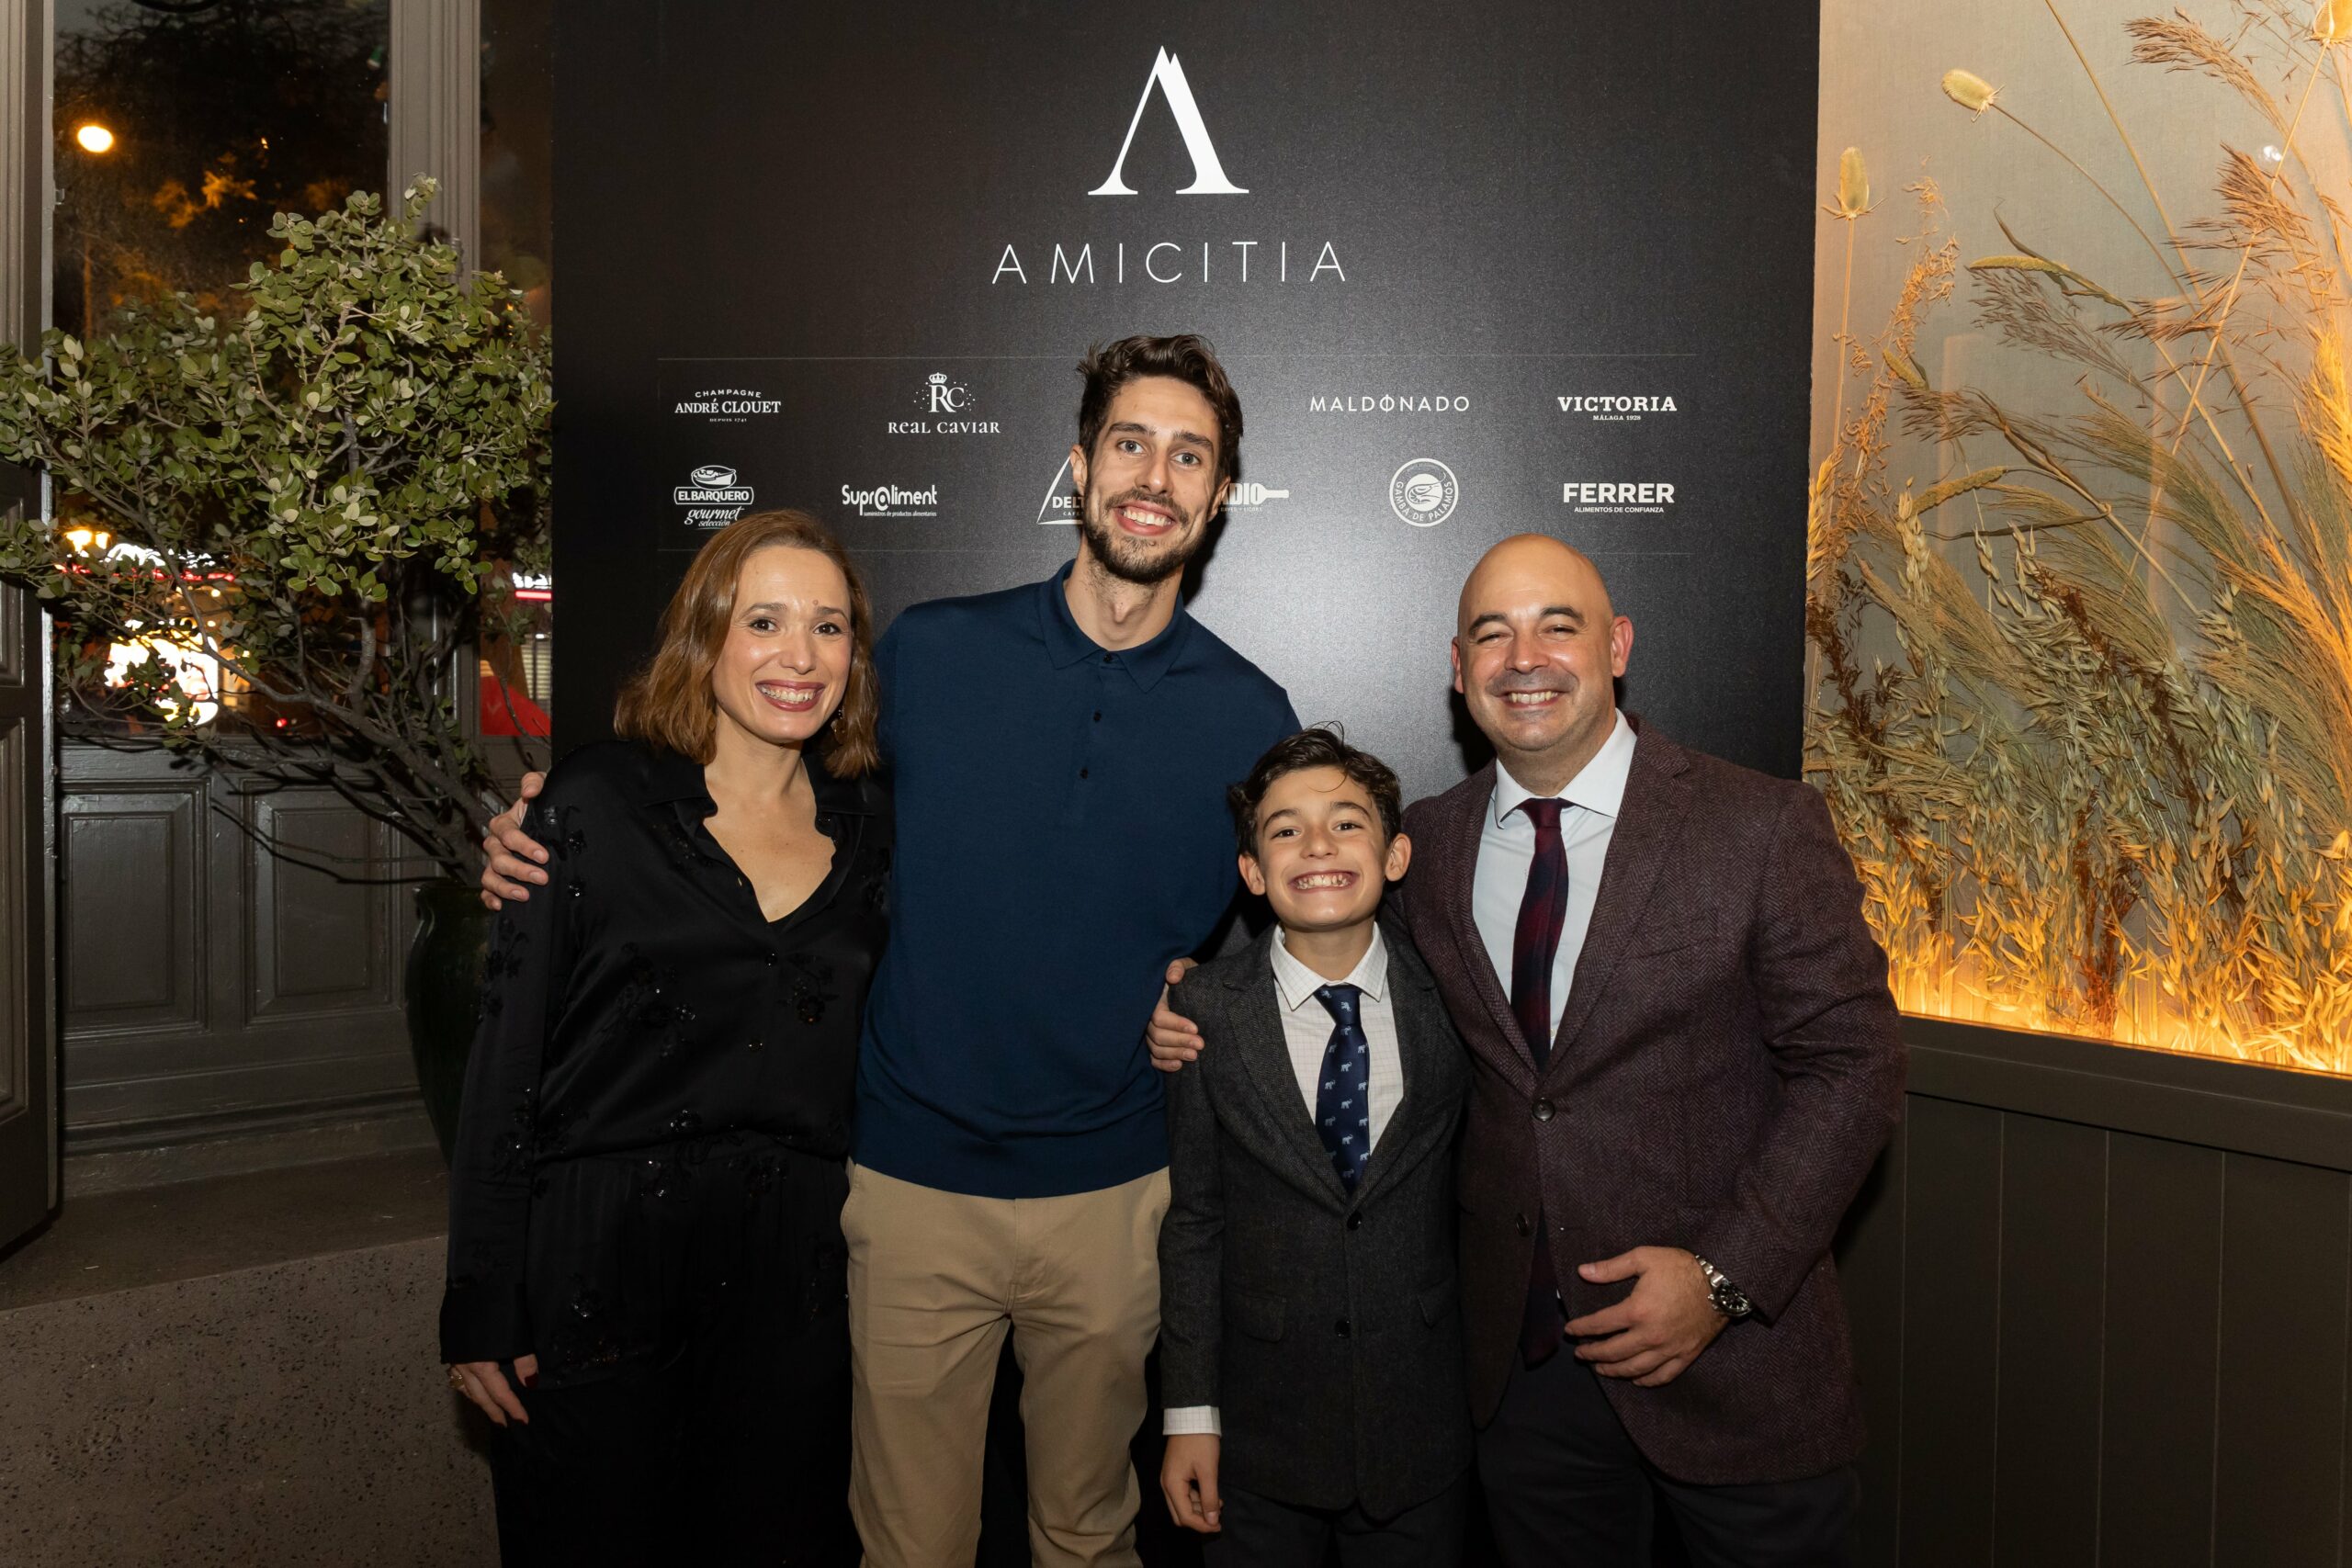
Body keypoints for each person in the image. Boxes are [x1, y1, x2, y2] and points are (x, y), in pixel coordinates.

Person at [480, 334, 1299, 1568]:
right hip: (910, 1185)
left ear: (1221, 492)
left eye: (1190, 456)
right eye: (1130, 442)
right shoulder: (928, 651)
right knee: (909, 1548)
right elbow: (758, 783)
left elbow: (1301, 919)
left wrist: (1202, 987)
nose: (1155, 475)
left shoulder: (1252, 715)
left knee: (1089, 1538)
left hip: (1116, 1191)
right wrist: (552, 825)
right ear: (1079, 466)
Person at [1151, 536, 1905, 1566]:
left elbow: (1854, 1067)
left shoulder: (1759, 824)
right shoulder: (1428, 846)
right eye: (1491, 634)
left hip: (1737, 1369)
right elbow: (1331, 957)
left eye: (1558, 625)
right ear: (1458, 670)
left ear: (1618, 646)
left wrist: (1724, 1277)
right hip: (1523, 1388)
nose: (1524, 659)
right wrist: (1198, 998)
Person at [442, 510, 888, 1567]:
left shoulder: (876, 825)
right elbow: (505, 1062)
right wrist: (482, 1303)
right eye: (764, 621)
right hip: (597, 1267)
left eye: (827, 627)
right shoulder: (593, 801)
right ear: (705, 637)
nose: (799, 655)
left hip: (797, 1280)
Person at [1158, 728, 1473, 1566]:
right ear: (1253, 872)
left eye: (1347, 823)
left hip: (1421, 1428)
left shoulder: (1454, 995)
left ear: (1395, 855)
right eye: (1286, 829)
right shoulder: (1204, 1012)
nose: (1319, 845)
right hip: (1262, 1433)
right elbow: (1194, 1222)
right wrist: (1190, 1413)